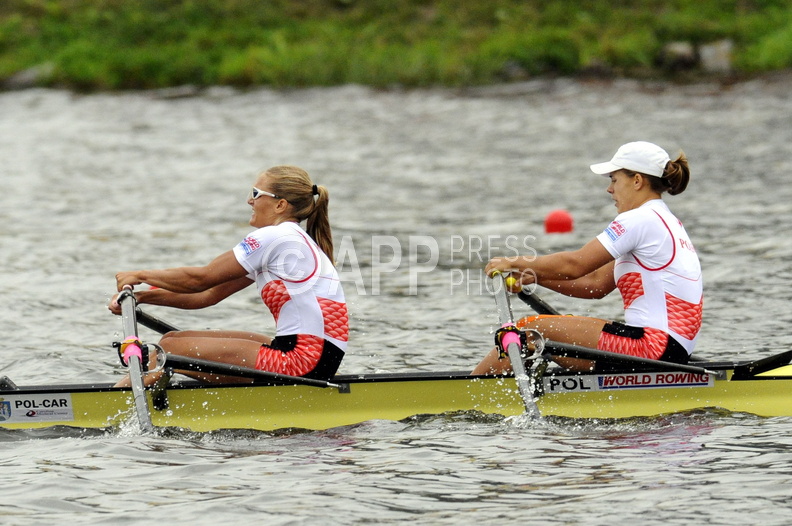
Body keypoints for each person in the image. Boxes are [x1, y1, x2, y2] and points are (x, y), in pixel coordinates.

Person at [472, 141, 702, 374]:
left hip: (652, 348)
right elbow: (594, 284)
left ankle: (469, 396)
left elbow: (576, 264)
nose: (609, 189)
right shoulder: (662, 220)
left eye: (614, 179)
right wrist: (535, 276)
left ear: (637, 181)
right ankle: (505, 388)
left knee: (530, 331)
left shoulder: (640, 219)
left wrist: (514, 262)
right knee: (539, 331)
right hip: (669, 349)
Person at [110, 165, 348, 386]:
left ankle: (107, 409)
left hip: (303, 361)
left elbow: (200, 279)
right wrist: (141, 298)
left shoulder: (277, 237)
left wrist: (140, 274)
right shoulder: (292, 241)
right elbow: (208, 295)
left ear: (280, 205)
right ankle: (146, 397)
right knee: (174, 338)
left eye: (256, 193)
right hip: (318, 357)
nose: (249, 200)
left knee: (169, 349)